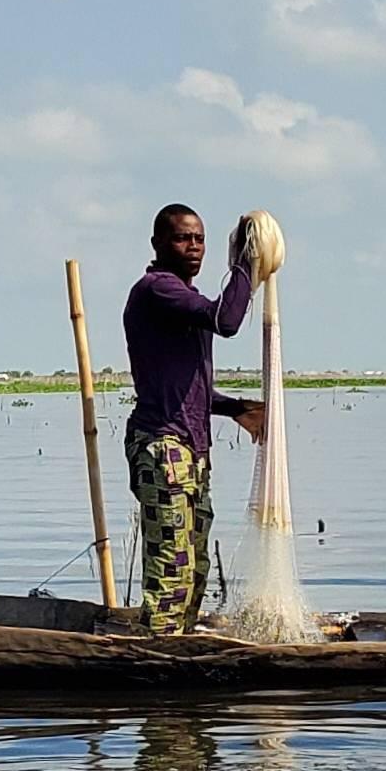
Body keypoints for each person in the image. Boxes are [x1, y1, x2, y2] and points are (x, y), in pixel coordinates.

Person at [120, 204, 266, 633]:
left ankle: (178, 642)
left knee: (196, 563)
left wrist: (237, 408)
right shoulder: (158, 290)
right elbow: (227, 320)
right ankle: (159, 651)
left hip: (190, 450)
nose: (194, 246)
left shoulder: (184, 301)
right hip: (163, 447)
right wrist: (244, 265)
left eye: (200, 238)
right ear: (158, 244)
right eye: (183, 238)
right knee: (172, 565)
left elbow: (189, 389)